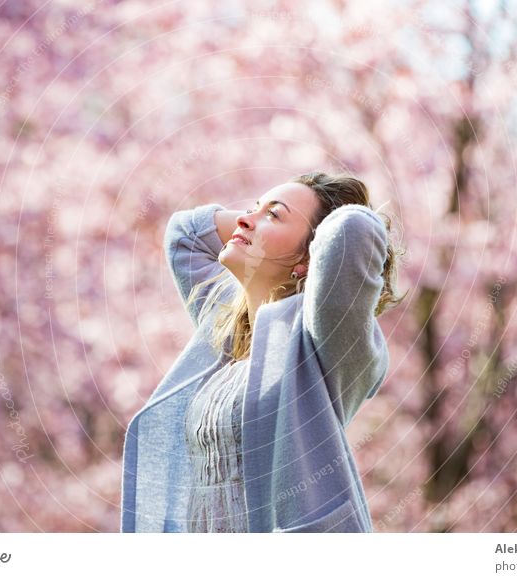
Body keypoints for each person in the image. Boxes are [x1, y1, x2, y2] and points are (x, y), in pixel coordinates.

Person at [121, 170, 406, 533]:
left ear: (310, 256)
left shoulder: (324, 339)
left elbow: (353, 230)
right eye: (252, 207)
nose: (244, 218)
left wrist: (318, 222)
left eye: (273, 214)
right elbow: (186, 233)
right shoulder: (226, 333)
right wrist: (264, 219)